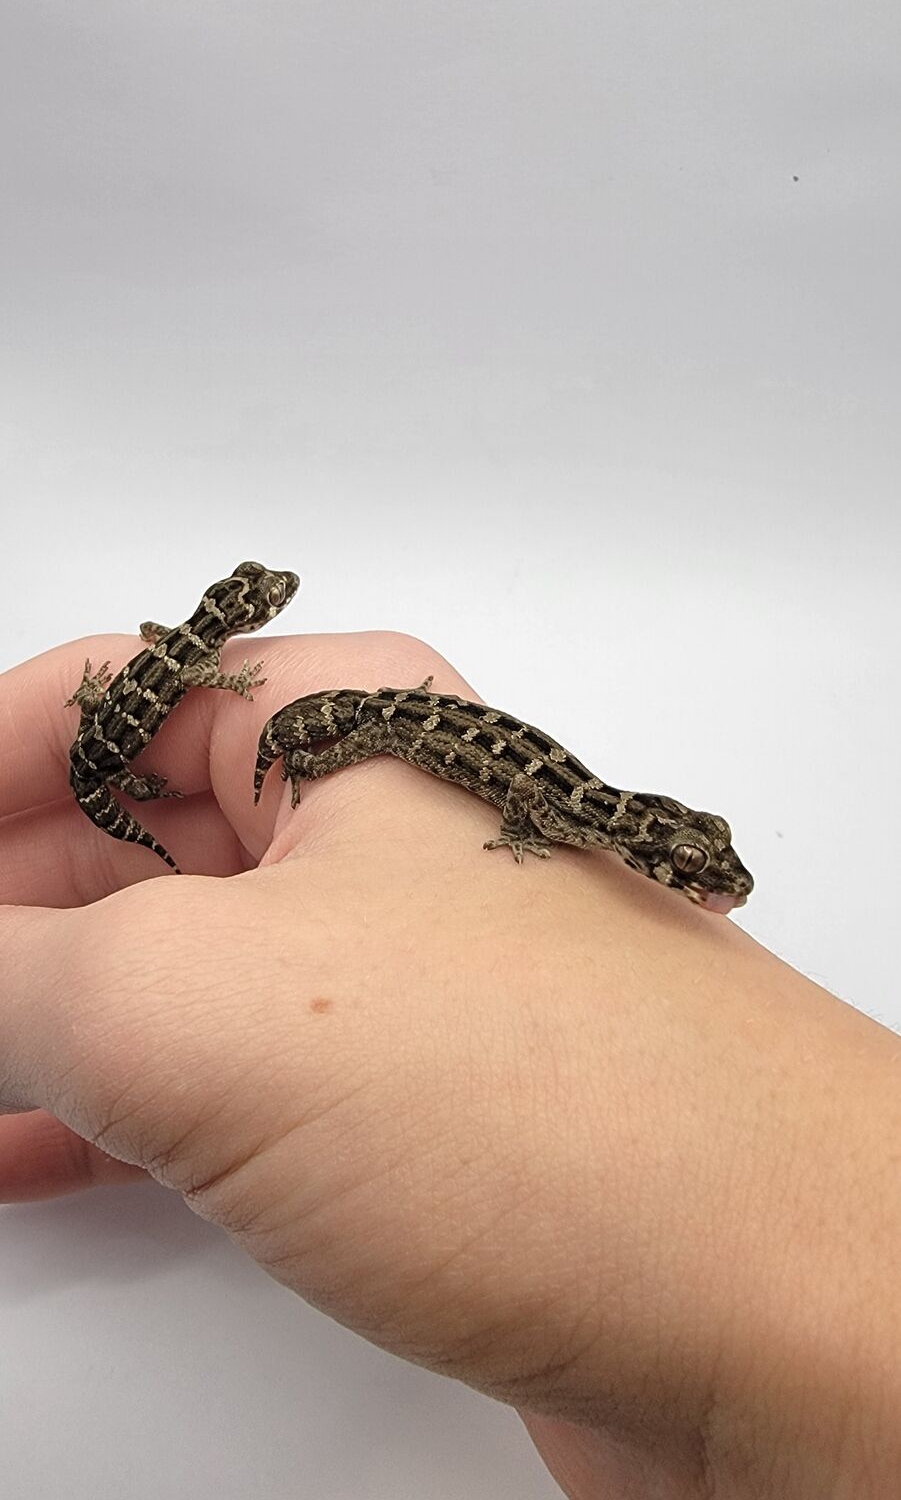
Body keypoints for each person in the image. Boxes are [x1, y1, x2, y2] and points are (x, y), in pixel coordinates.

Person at [1, 629, 898, 1499]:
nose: (715, 881)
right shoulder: (567, 816)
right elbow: (514, 801)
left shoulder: (591, 821)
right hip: (383, 727)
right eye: (696, 864)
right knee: (363, 729)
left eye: (701, 856)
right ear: (657, 853)